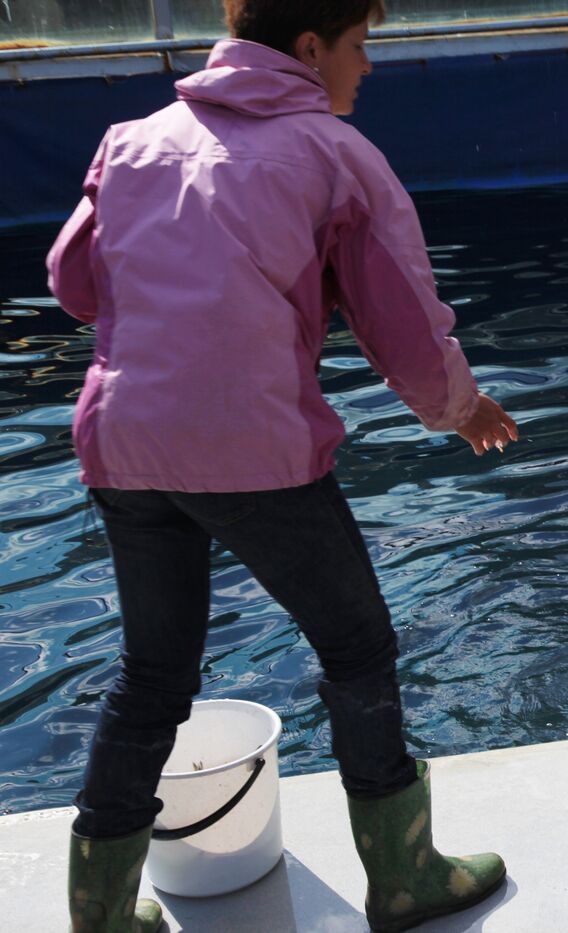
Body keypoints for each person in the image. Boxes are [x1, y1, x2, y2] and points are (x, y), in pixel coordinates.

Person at [46, 2, 519, 930]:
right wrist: (462, 409)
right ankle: (404, 876)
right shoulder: (336, 156)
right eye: (358, 45)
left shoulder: (132, 140)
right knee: (358, 649)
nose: (367, 66)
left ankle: (98, 916)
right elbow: (404, 325)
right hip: (254, 447)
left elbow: (71, 282)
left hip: (126, 444)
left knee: (152, 673)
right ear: (310, 48)